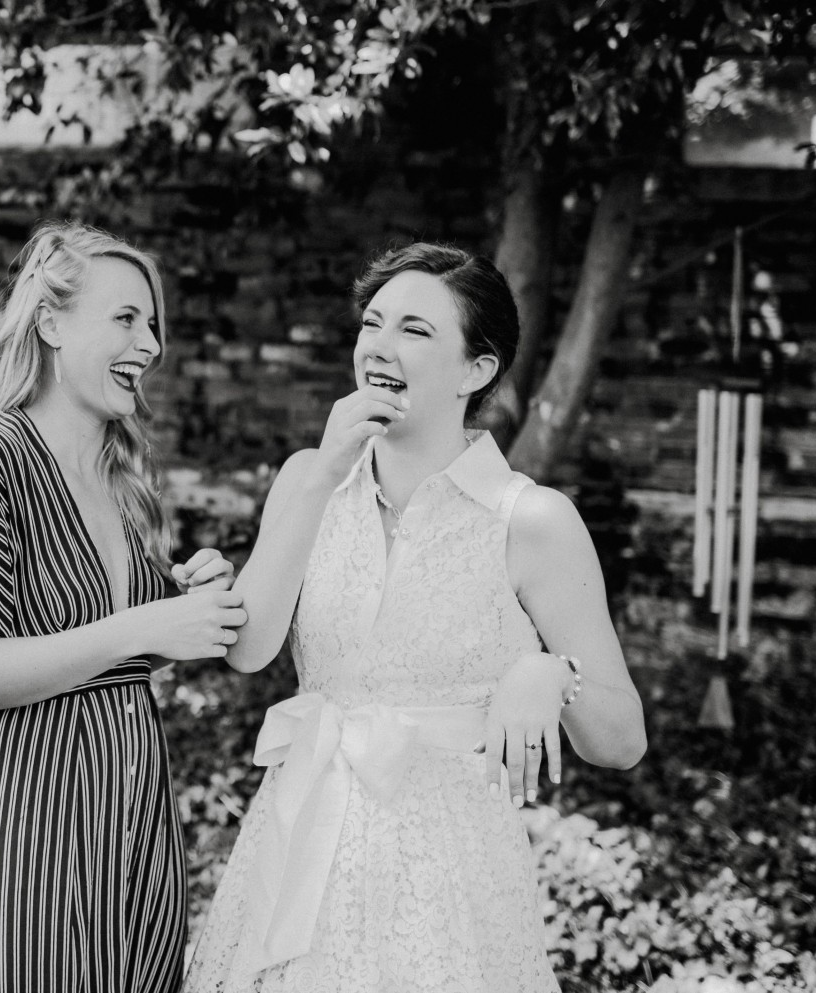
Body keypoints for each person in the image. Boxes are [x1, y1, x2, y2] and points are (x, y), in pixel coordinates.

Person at [185, 243, 648, 992]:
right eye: (373, 323)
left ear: (477, 369)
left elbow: (623, 738)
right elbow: (251, 650)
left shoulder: (531, 518)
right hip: (302, 844)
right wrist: (319, 475)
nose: (380, 345)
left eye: (416, 330)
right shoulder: (308, 480)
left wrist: (549, 673)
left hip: (452, 884)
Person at [0, 221, 247, 993]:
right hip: (31, 817)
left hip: (134, 814)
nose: (149, 343)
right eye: (125, 318)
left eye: (153, 324)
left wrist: (189, 598)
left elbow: (122, 639)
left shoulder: (125, 477)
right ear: (50, 322)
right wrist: (144, 626)